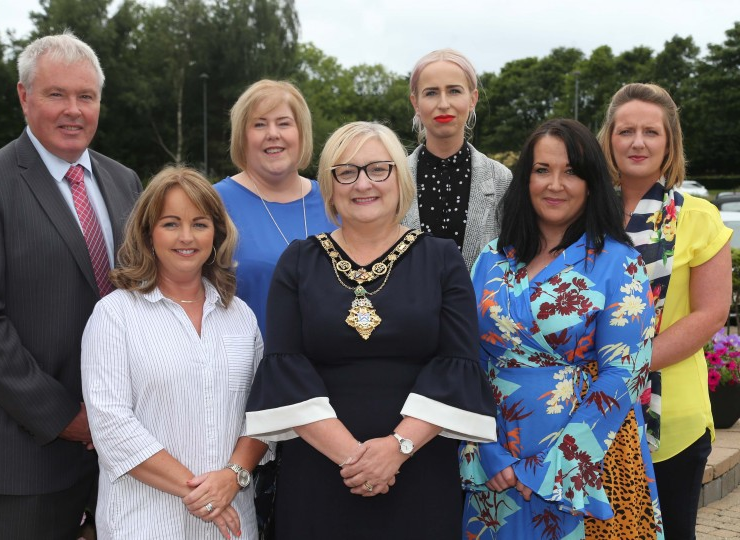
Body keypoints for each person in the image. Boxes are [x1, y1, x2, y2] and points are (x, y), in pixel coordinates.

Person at [244, 121, 497, 539]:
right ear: (329, 185)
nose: (363, 183)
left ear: (400, 178)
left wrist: (394, 450)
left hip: (418, 469)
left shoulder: (442, 258)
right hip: (319, 470)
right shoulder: (298, 261)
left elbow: (456, 363)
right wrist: (355, 458)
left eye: (378, 169)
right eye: (347, 171)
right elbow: (286, 367)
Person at [0, 32, 142, 538]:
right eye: (56, 94)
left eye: (86, 96)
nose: (73, 110)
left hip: (124, 444)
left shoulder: (126, 182)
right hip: (26, 446)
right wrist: (62, 416)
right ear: (24, 97)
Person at [461, 119, 664, 539]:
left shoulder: (617, 262)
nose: (555, 184)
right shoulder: (490, 259)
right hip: (493, 462)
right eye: (542, 170)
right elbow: (466, 360)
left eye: (570, 171)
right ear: (525, 179)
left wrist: (555, 465)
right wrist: (484, 446)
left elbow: (624, 374)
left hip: (580, 466)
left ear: (591, 182)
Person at [81, 166, 270, 539]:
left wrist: (232, 477)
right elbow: (111, 425)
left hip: (231, 523)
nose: (186, 237)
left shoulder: (240, 316)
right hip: (145, 521)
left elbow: (263, 412)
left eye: (199, 224)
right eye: (170, 224)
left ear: (216, 233)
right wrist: (202, 493)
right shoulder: (114, 315)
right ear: (148, 234)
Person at [598, 83, 732, 540]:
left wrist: (625, 365)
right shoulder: (583, 214)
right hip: (586, 411)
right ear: (608, 139)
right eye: (626, 131)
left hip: (672, 417)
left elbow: (712, 313)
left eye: (651, 132)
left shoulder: (698, 216)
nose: (638, 142)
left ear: (669, 142)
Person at [214, 80, 334, 337]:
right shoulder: (213, 203)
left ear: (301, 132)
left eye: (283, 123)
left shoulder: (334, 201)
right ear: (242, 136)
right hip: (248, 368)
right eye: (259, 124)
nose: (273, 133)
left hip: (329, 369)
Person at [404, 48, 512, 269]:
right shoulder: (394, 178)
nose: (443, 103)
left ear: (473, 99)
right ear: (416, 103)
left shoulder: (500, 179)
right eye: (431, 93)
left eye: (454, 91)